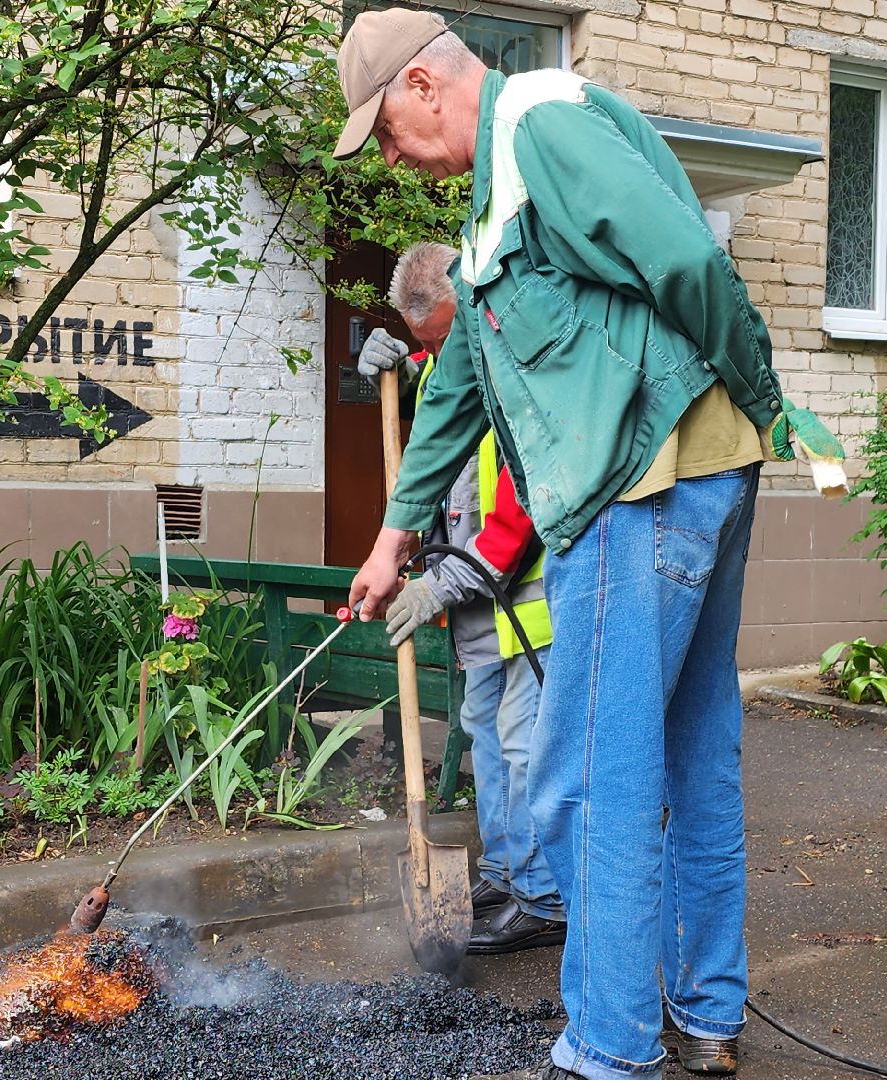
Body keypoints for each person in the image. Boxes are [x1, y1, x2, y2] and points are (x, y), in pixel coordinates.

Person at [333, 9, 843, 1080]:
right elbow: (462, 381)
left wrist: (758, 393)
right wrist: (392, 539)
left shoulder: (543, 127)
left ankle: (606, 1048)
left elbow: (684, 262)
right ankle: (703, 1015)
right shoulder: (494, 200)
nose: (388, 156)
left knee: (584, 775)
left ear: (425, 85)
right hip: (692, 473)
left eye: (383, 129)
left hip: (643, 487)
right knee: (693, 759)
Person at [355, 241, 566, 956]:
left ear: (470, 309)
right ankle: (507, 875)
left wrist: (434, 587)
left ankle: (545, 899)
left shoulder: (516, 370)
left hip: (529, 603)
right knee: (486, 738)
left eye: (442, 340)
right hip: (481, 607)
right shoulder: (445, 359)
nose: (438, 356)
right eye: (425, 345)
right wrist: (397, 368)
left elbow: (519, 515)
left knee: (524, 748)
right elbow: (440, 404)